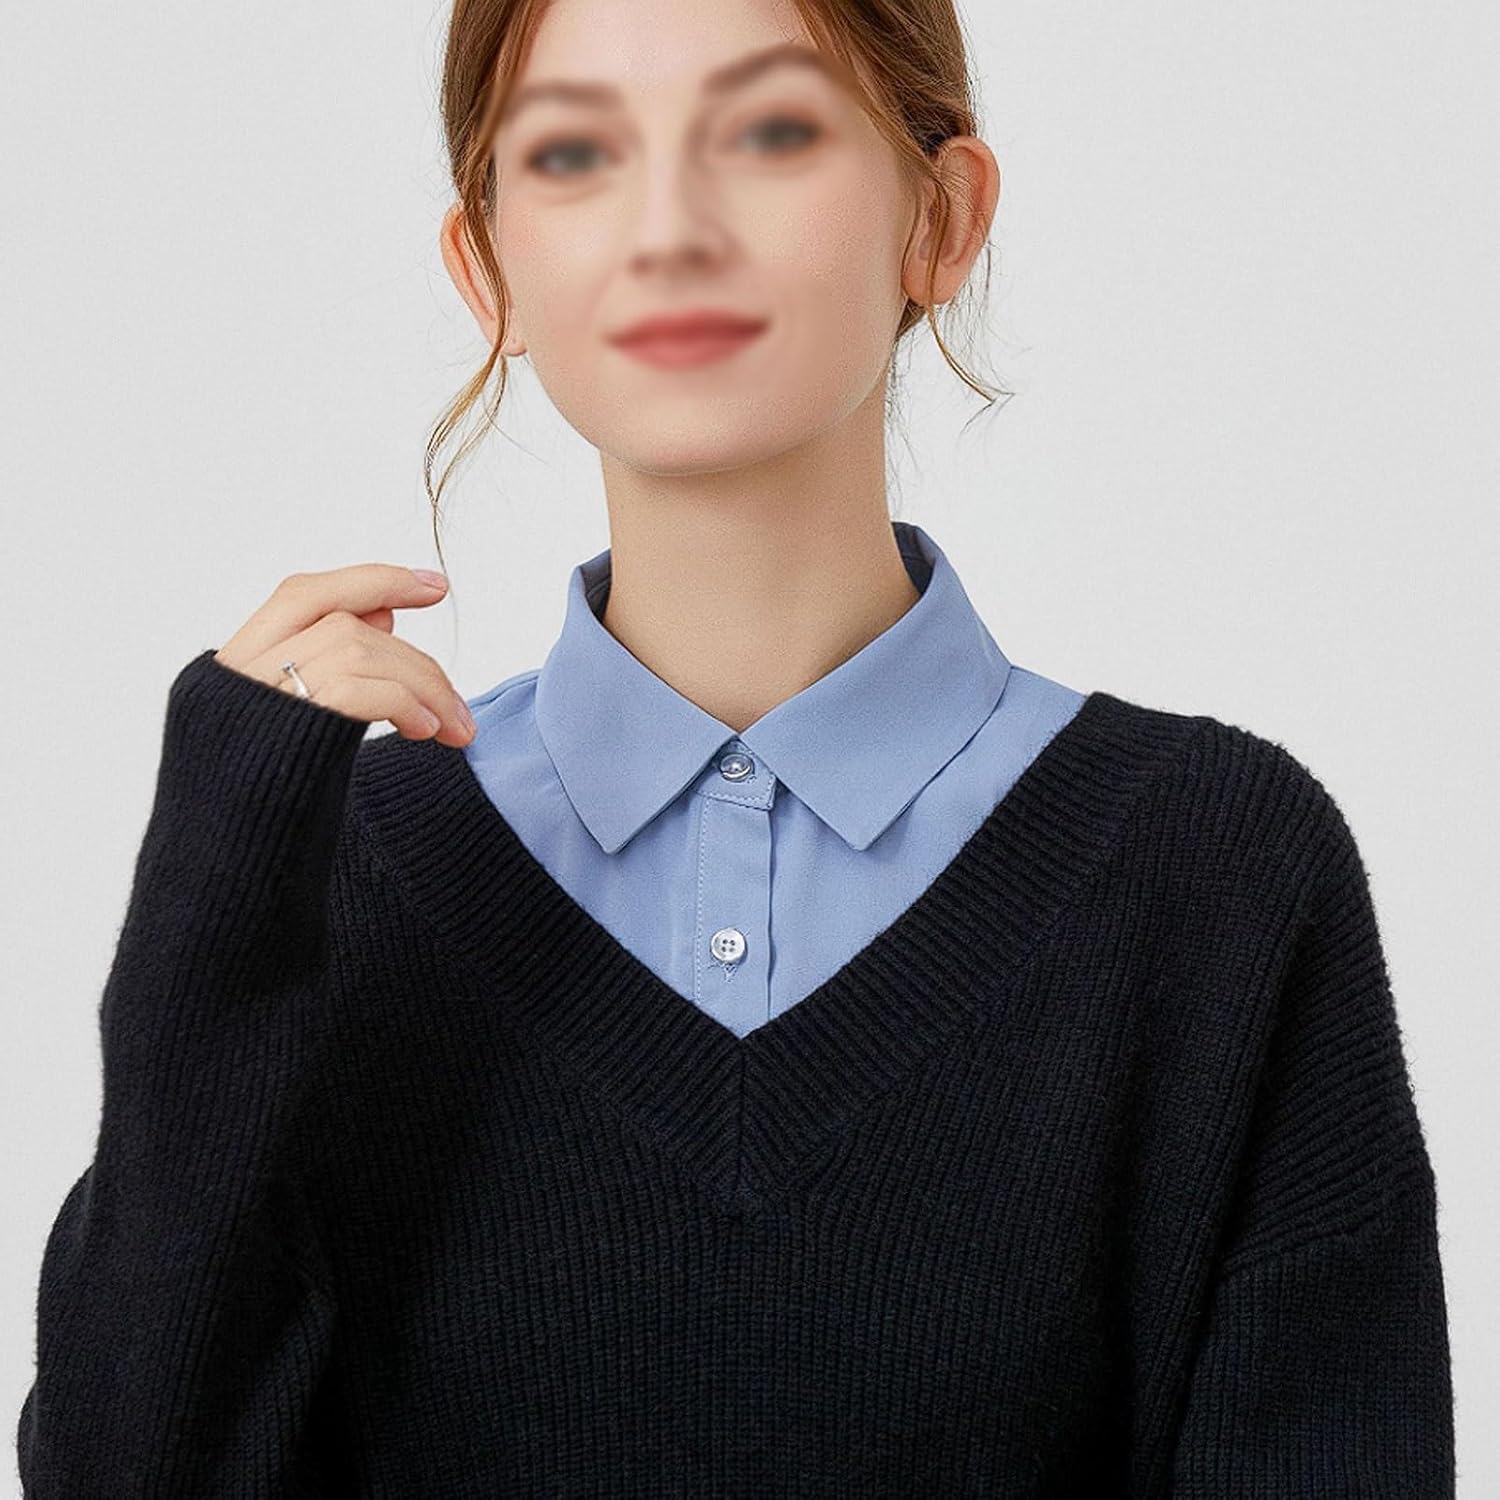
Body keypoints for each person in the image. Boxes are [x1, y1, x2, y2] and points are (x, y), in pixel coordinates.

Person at [16, 0, 1454, 1494]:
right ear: (488, 267)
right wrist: (213, 909)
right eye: (573, 153)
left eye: (770, 130)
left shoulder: (1219, 870)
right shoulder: (321, 884)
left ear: (942, 221)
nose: (670, 230)